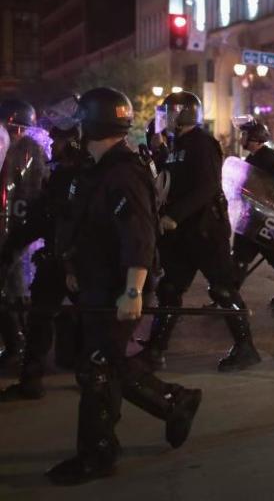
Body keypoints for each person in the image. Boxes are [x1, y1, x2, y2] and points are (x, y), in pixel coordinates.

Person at [45, 87, 201, 486]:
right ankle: (174, 402)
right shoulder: (95, 168)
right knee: (108, 363)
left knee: (97, 369)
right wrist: (71, 265)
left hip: (119, 287)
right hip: (97, 285)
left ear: (91, 124)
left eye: (80, 122)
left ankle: (97, 454)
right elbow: (83, 224)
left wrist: (133, 290)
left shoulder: (123, 172)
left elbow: (139, 237)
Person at [139, 91, 261, 372]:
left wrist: (174, 216)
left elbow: (207, 187)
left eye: (169, 112)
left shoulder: (202, 143)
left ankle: (246, 347)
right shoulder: (174, 144)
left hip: (206, 230)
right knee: (170, 289)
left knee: (222, 289)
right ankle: (156, 349)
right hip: (181, 233)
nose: (165, 118)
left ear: (183, 113)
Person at [0, 115, 87, 401]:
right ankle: (31, 379)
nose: (54, 144)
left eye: (59, 140)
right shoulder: (61, 174)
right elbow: (42, 216)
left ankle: (97, 375)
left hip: (82, 262)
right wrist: (13, 244)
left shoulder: (91, 175)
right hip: (55, 258)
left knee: (93, 320)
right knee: (40, 317)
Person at [230, 119, 274, 315]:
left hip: (264, 219)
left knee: (273, 257)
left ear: (255, 138)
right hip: (253, 217)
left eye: (245, 135)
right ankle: (229, 298)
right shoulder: (254, 158)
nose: (242, 138)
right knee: (243, 257)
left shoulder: (269, 159)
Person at [0, 98, 47, 369]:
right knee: (9, 284)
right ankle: (18, 341)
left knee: (15, 285)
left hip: (18, 226)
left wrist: (24, 223)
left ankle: (21, 343)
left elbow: (31, 190)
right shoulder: (11, 148)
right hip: (9, 223)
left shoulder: (31, 151)